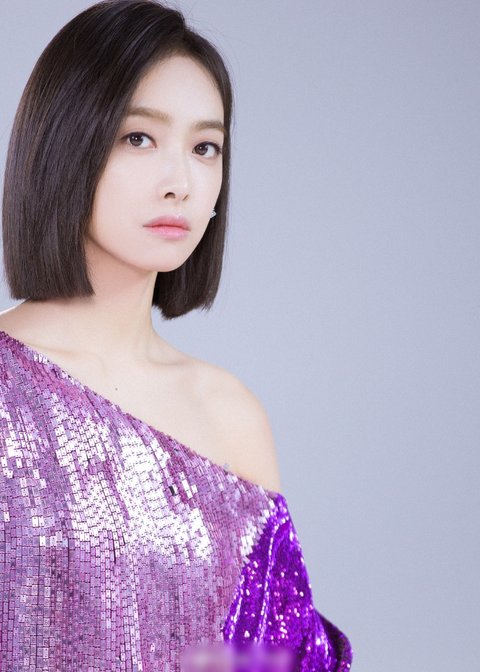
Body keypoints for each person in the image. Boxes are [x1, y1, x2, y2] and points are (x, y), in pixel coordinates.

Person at [0, 1, 352, 670]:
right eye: (139, 138)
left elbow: (269, 657)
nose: (180, 183)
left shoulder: (227, 412)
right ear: (63, 145)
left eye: (204, 148)